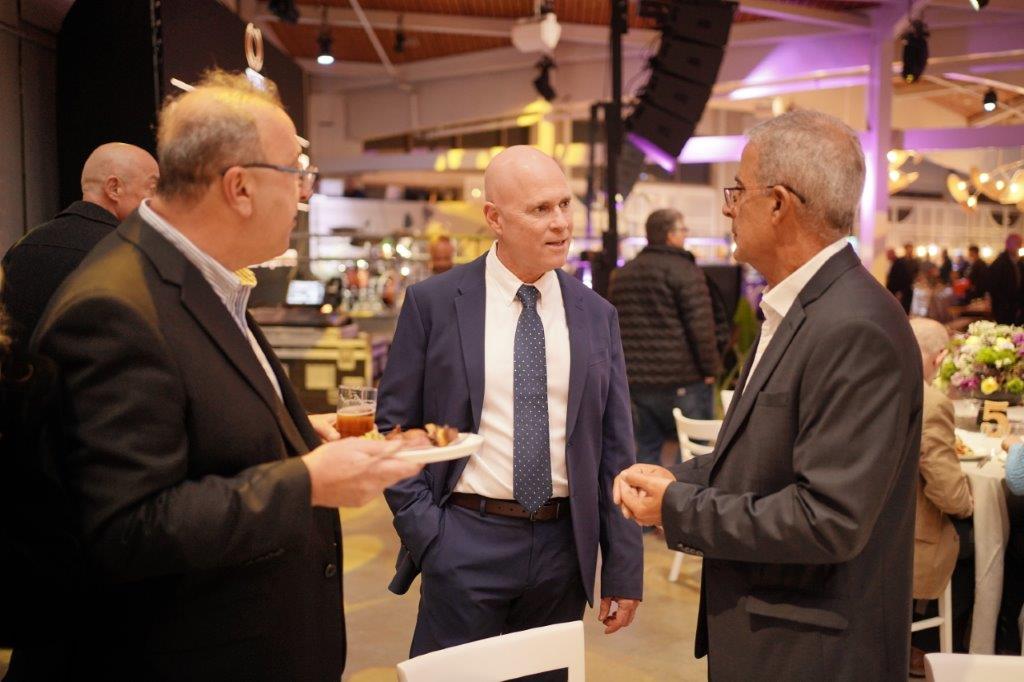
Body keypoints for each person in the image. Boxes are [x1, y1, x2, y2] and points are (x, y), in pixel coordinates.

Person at [29, 70, 422, 682]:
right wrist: (307, 480)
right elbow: (126, 528)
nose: (303, 195)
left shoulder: (203, 279)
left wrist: (293, 435)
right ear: (240, 187)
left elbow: (198, 430)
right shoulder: (115, 307)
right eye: (296, 175)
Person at [614, 110, 922, 680]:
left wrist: (678, 507)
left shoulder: (855, 326)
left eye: (738, 191)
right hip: (778, 637)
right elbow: (764, 458)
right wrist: (675, 479)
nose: (728, 208)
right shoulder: (802, 308)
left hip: (814, 653)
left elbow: (827, 518)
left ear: (778, 204)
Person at [377, 146, 643, 671]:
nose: (561, 222)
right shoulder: (434, 303)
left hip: (563, 550)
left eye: (564, 204)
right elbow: (395, 426)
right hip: (464, 539)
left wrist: (622, 567)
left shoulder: (596, 314)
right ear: (494, 218)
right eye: (540, 209)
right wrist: (428, 534)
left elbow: (616, 450)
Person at [0, 142, 158, 354]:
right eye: (154, 189)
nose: (159, 203)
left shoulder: (22, 247)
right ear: (114, 188)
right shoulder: (130, 257)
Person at [609, 208, 720, 468]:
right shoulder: (686, 271)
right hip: (683, 381)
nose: (685, 235)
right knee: (693, 458)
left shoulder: (623, 274)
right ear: (670, 235)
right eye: (683, 230)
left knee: (645, 453)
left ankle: (644, 496)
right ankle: (680, 496)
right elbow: (701, 326)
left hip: (637, 383)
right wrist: (710, 369)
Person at [908, 318, 973, 675]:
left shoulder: (871, 386)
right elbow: (951, 495)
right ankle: (932, 647)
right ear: (940, 359)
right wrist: (969, 503)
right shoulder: (931, 402)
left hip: (871, 524)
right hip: (906, 540)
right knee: (976, 541)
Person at [986, 233, 1023, 324]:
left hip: (1017, 307)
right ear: (1007, 245)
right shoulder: (999, 263)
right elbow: (992, 287)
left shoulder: (1019, 263)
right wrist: (1005, 304)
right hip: (1003, 308)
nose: (1019, 246)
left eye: (1020, 243)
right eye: (1016, 243)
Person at [887, 242, 919, 314]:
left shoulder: (914, 262)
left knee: (906, 308)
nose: (910, 251)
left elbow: (915, 274)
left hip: (908, 288)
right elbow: (894, 277)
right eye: (908, 249)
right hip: (900, 289)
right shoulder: (899, 261)